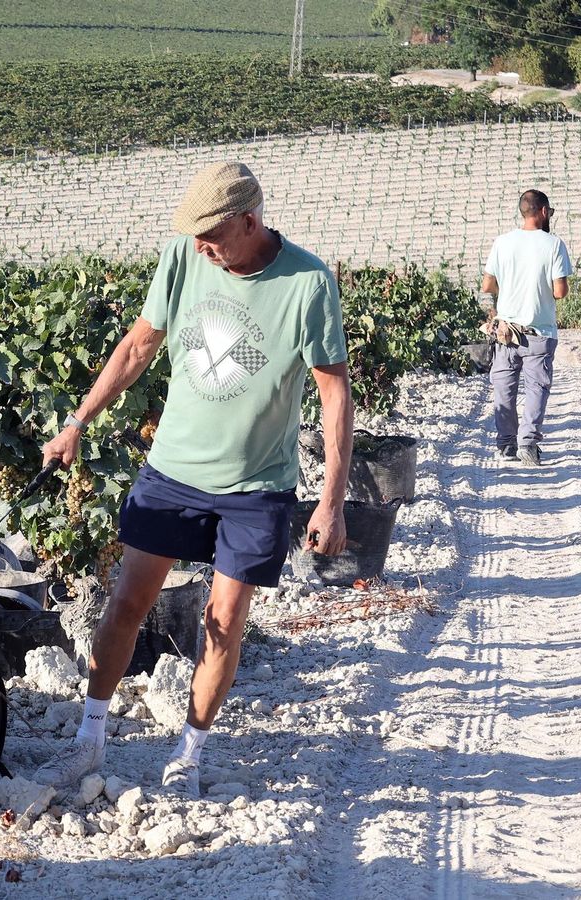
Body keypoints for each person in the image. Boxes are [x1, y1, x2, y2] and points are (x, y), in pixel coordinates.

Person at [33, 161, 354, 798]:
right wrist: (77, 420)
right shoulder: (184, 254)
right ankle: (88, 743)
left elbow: (334, 393)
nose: (202, 246)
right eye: (196, 234)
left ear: (250, 221)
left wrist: (332, 502)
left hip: (256, 486)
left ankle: (189, 753)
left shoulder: (309, 284)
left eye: (213, 235)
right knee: (125, 603)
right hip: (172, 471)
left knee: (224, 620)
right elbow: (137, 346)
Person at [481, 190, 572, 466]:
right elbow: (560, 292)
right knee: (536, 389)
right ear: (543, 211)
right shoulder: (554, 245)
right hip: (539, 333)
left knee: (504, 389)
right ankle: (528, 446)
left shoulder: (502, 242)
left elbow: (487, 285)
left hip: (505, 332)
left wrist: (506, 289)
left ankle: (506, 444)